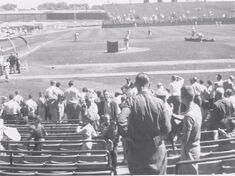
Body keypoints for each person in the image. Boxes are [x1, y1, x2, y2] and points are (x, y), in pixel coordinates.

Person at [118, 72, 171, 175]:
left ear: (136, 85)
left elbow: (121, 121)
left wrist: (128, 136)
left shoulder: (131, 101)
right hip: (156, 150)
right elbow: (167, 128)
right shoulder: (159, 102)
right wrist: (160, 137)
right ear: (149, 84)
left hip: (137, 150)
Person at [178, 86, 202, 174]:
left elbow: (185, 140)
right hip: (196, 146)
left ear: (182, 98)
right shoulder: (197, 107)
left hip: (189, 151)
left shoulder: (188, 116)